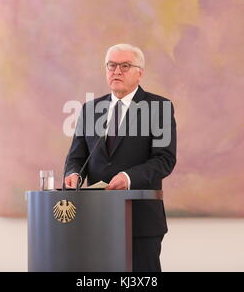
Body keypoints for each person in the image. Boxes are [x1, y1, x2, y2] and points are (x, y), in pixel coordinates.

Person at [64, 43, 177, 272]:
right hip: (96, 219)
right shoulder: (89, 110)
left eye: (125, 66)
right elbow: (76, 157)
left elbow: (164, 159)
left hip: (141, 221)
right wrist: (73, 174)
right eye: (111, 65)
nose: (116, 71)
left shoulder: (159, 107)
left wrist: (128, 177)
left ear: (140, 73)